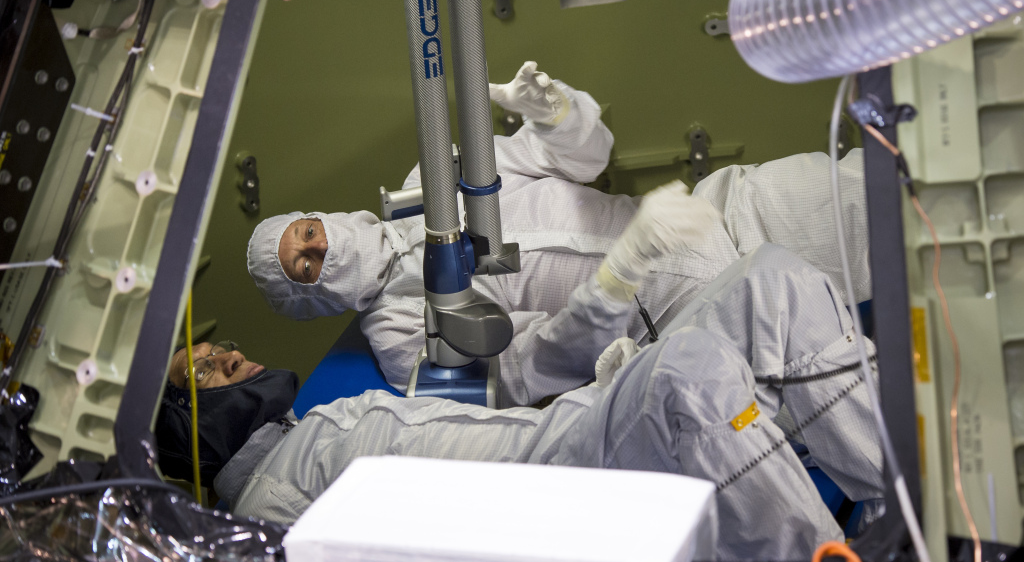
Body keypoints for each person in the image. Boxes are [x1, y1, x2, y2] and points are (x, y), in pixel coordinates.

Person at [158, 244, 881, 561]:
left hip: (569, 426)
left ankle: (898, 502)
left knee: (768, 279)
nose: (228, 355)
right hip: (569, 493)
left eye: (216, 351)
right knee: (687, 377)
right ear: (194, 425)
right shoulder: (266, 508)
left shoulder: (314, 423)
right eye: (207, 373)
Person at [248, 62, 739, 407]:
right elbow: (520, 372)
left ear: (322, 216)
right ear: (311, 303)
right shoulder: (398, 336)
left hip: (718, 210)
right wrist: (616, 280)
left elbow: (584, 159)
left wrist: (559, 119)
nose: (319, 245)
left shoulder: (431, 177)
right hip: (681, 315)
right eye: (306, 265)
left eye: (309, 232)